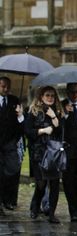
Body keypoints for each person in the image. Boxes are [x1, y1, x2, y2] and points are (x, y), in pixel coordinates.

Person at [24, 86, 65, 223]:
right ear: (41, 97)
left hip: (53, 152)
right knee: (41, 183)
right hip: (38, 152)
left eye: (52, 95)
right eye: (47, 95)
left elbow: (60, 132)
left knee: (54, 183)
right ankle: (35, 207)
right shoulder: (34, 111)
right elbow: (28, 131)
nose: (50, 98)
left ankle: (52, 213)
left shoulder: (58, 111)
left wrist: (54, 116)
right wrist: (42, 130)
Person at [61, 82, 77, 222]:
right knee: (69, 181)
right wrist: (65, 114)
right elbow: (58, 126)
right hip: (68, 149)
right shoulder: (62, 105)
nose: (75, 95)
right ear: (67, 93)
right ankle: (73, 209)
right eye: (72, 92)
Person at [0, 76, 24, 216]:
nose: (6, 89)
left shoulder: (14, 101)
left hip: (10, 143)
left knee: (12, 170)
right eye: (3, 86)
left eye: (8, 86)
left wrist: (20, 116)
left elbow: (21, 125)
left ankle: (7, 199)